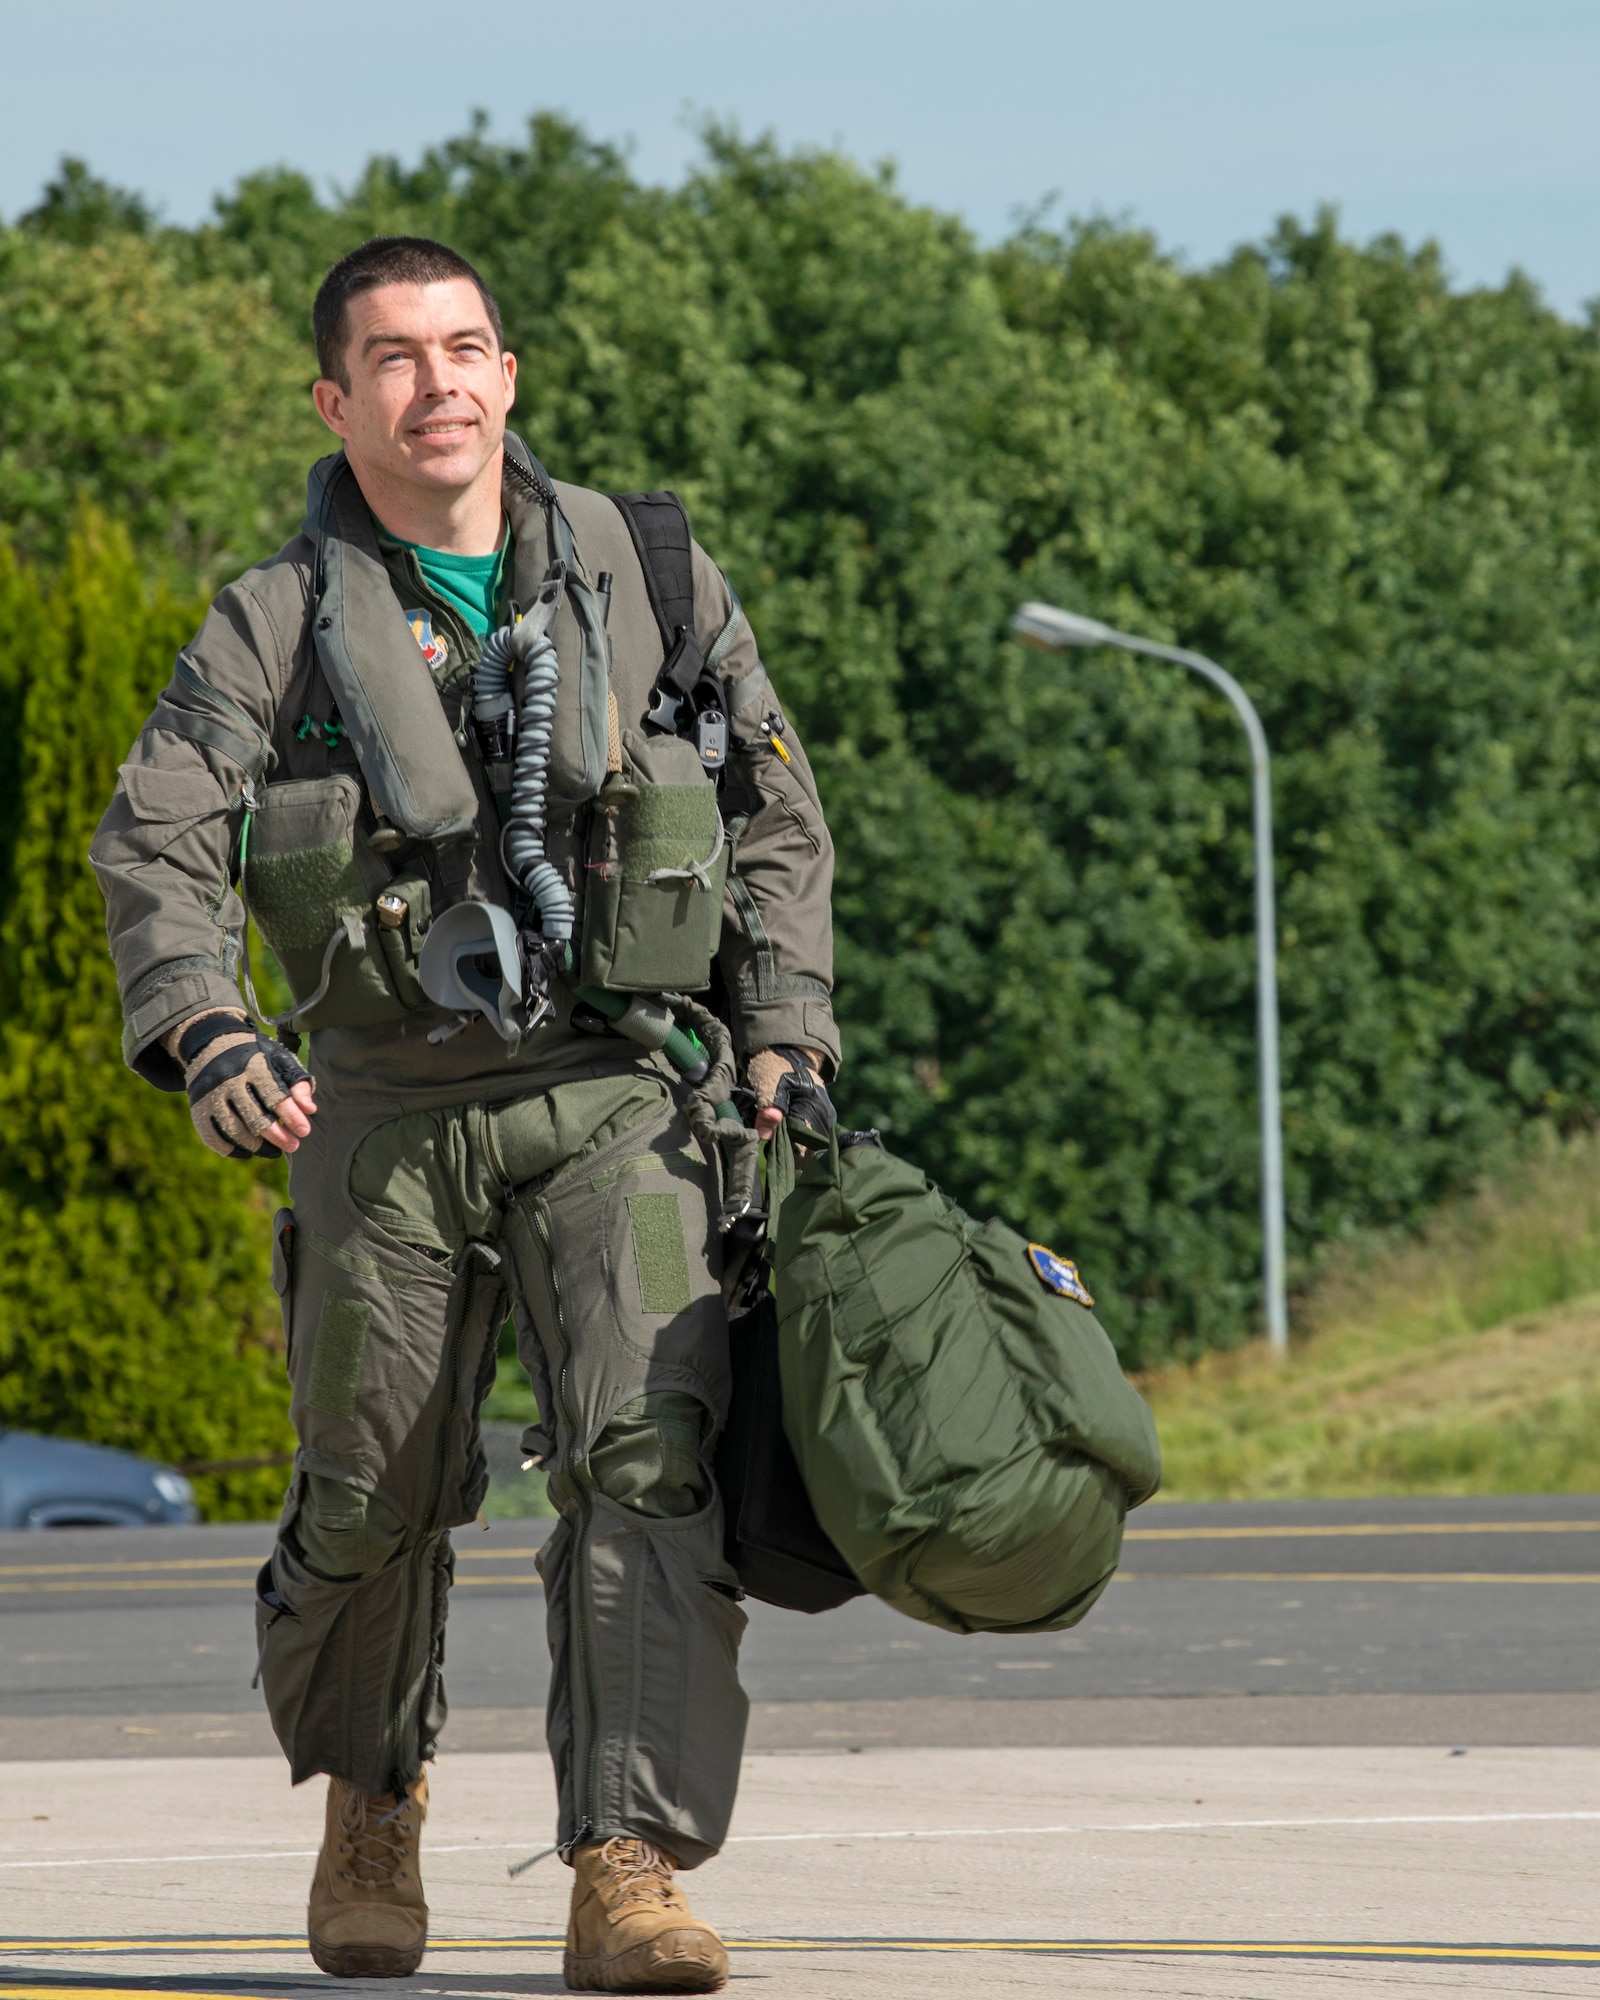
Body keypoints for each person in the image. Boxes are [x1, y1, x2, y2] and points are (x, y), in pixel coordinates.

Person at [90, 235, 840, 1995]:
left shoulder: (650, 573)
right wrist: (206, 1035)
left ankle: (626, 1859)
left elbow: (782, 817)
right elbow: (157, 839)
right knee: (367, 1491)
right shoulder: (272, 625)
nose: (440, 385)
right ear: (336, 400)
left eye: (468, 349)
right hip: (385, 1106)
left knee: (647, 1462)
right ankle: (372, 1802)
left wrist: (784, 1036)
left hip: (614, 1092)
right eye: (397, 358)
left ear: (508, 376)